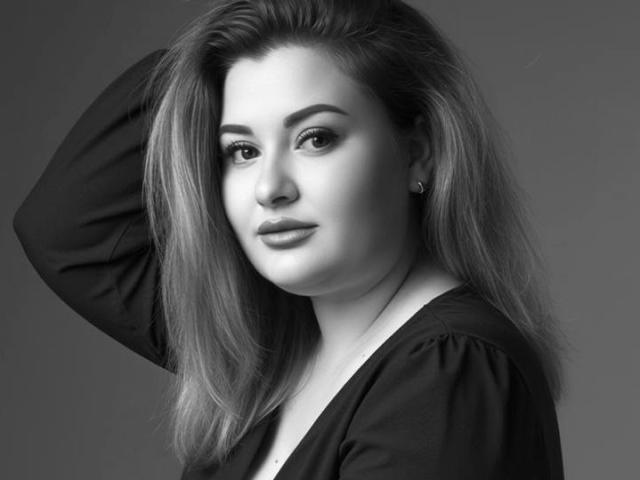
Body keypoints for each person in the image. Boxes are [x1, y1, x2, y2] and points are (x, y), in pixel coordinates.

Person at [13, 0, 568, 478]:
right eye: (242, 150)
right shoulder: (265, 353)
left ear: (418, 151)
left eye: (315, 138)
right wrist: (198, 67)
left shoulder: (447, 374)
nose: (269, 188)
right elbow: (66, 229)